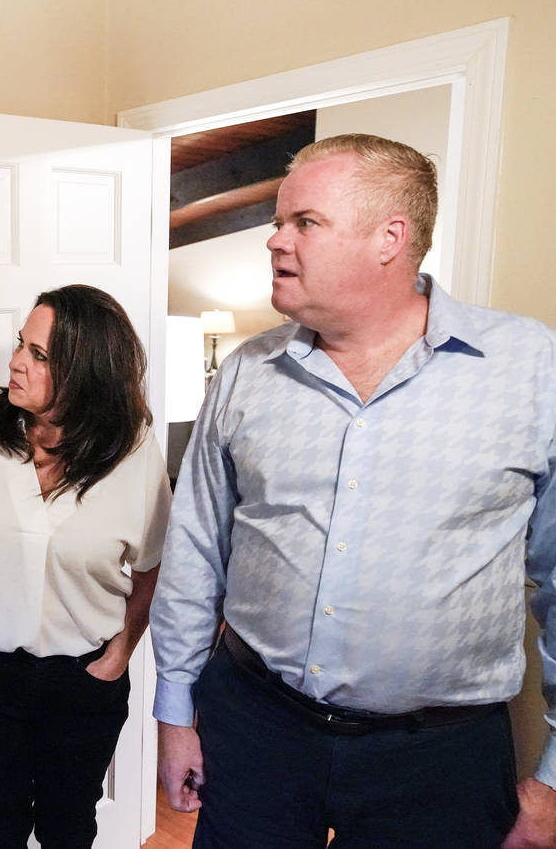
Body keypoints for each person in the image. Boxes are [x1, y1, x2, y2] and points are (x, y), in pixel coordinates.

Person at [150, 134, 556, 849]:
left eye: (304, 222)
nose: (275, 240)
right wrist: (175, 711)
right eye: (279, 222)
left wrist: (555, 777)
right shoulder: (246, 373)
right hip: (255, 728)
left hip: (438, 759)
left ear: (389, 238)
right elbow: (193, 551)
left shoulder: (528, 369)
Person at [0, 284, 171, 848]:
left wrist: (121, 652)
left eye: (39, 354)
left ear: (87, 370)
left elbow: (152, 566)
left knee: (69, 828)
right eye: (20, 345)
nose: (16, 362)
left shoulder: (133, 449)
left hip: (81, 683)